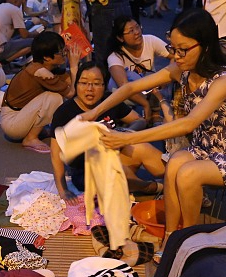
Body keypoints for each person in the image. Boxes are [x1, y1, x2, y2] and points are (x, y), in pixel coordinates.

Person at [80, 9, 226, 241]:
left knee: (187, 173)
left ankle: (188, 239)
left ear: (205, 46)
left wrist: (127, 138)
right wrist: (94, 111)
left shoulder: (224, 81)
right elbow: (129, 87)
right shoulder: (183, 71)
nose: (176, 56)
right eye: (173, 48)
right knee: (175, 163)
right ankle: (171, 236)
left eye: (183, 50)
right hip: (207, 150)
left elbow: (188, 124)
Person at [51, 61, 164, 200]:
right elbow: (56, 156)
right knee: (113, 171)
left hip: (116, 156)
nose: (89, 89)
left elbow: (139, 120)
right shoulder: (64, 112)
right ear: (76, 85)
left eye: (97, 83)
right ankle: (146, 186)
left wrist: (122, 134)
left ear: (104, 86)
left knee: (141, 148)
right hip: (86, 171)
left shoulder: (109, 101)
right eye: (84, 83)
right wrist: (63, 190)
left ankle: (176, 178)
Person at [1, 30, 77, 153]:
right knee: (54, 97)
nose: (64, 54)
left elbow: (67, 81)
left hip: (17, 116)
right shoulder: (41, 73)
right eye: (60, 52)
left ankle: (35, 130)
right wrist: (74, 66)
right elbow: (70, 93)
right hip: (13, 123)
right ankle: (31, 138)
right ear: (46, 57)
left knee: (55, 92)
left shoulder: (40, 66)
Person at [106, 15, 170, 123]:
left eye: (137, 27)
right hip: (127, 94)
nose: (137, 32)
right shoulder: (115, 56)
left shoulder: (150, 40)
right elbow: (124, 85)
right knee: (121, 80)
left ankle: (155, 113)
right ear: (120, 38)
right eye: (131, 31)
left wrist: (167, 76)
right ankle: (125, 114)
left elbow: (175, 56)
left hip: (148, 89)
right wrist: (145, 105)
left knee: (155, 76)